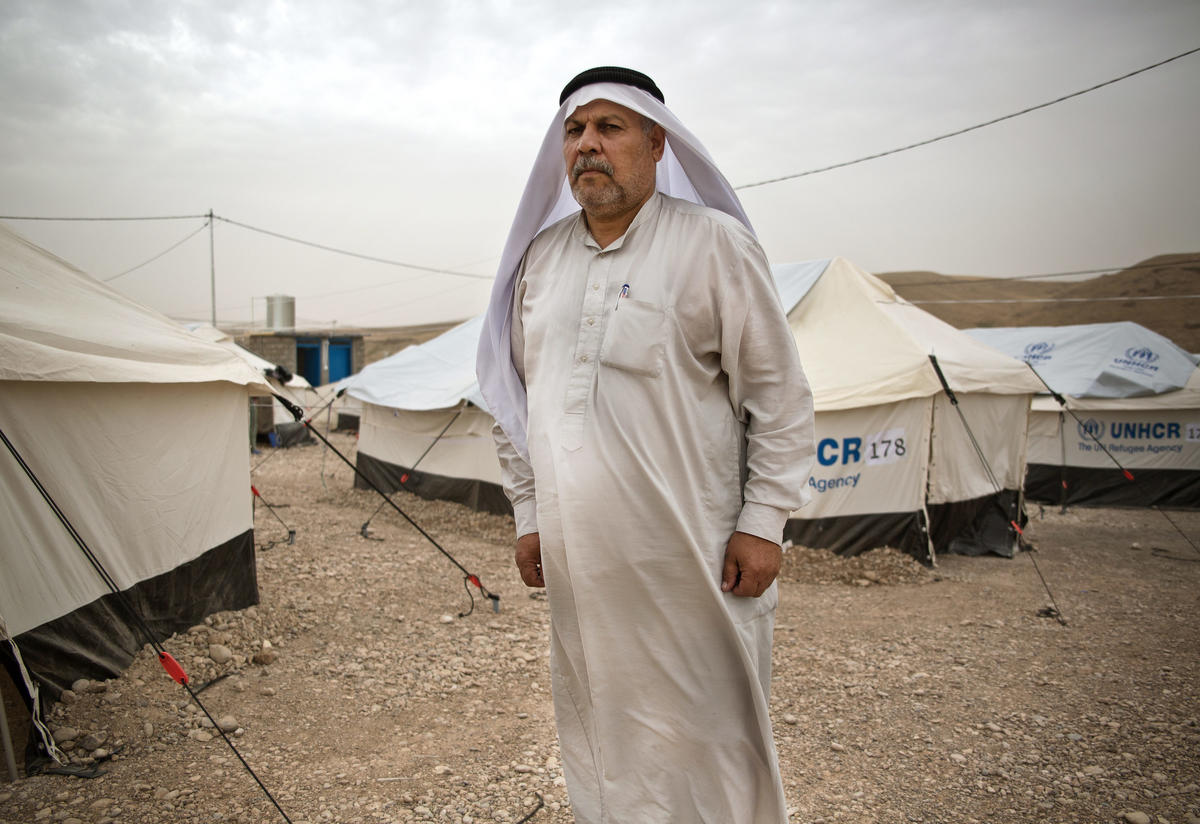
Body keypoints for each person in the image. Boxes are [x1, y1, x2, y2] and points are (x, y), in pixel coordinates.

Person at [476, 66, 816, 823]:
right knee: (604, 734)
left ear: (658, 142)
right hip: (581, 565)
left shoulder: (713, 246)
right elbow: (514, 403)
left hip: (692, 558)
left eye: (610, 127)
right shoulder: (542, 261)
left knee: (712, 741)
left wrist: (764, 521)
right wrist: (530, 512)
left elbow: (780, 397)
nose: (587, 146)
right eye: (574, 131)